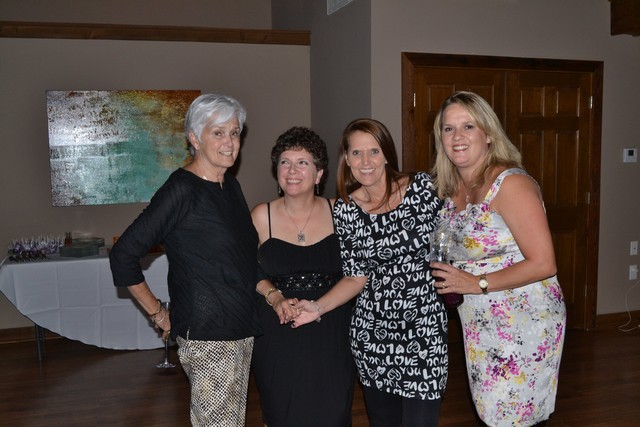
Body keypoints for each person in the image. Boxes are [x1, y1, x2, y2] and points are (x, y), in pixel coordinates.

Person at [109, 93, 261, 426]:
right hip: (208, 336)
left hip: (240, 329)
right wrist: (159, 314)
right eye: (218, 133)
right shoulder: (181, 190)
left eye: (234, 133)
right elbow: (123, 255)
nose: (229, 142)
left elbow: (241, 260)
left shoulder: (230, 187)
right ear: (194, 138)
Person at [292, 119, 447, 427]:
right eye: (356, 153)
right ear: (347, 160)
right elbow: (355, 276)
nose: (365, 161)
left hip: (425, 330)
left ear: (387, 154)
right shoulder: (346, 210)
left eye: (374, 151)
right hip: (373, 335)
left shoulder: (423, 188)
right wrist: (317, 307)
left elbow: (456, 233)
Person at [429, 91, 567, 426]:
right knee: (492, 413)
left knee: (509, 416)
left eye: (468, 126)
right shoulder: (453, 188)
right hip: (479, 320)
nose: (457, 136)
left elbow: (544, 263)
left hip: (524, 320)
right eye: (448, 129)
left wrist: (477, 282)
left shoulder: (510, 184)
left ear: (488, 134)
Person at [251, 126, 355, 427]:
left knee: (333, 413)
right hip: (279, 329)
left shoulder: (340, 212)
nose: (292, 171)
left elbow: (358, 271)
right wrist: (275, 297)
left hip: (331, 328)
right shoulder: (261, 216)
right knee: (283, 412)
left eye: (302, 163)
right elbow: (248, 271)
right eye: (285, 162)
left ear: (319, 174)